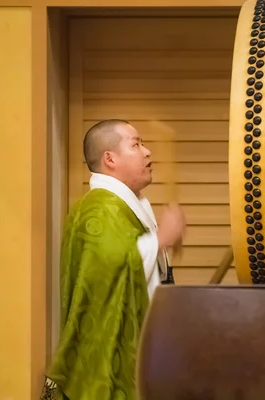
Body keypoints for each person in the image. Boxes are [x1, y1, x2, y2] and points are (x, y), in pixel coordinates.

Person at [44, 119, 186, 400]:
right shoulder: (98, 210)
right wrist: (160, 240)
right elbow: (108, 268)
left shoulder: (123, 205)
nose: (147, 152)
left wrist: (162, 248)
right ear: (110, 158)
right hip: (106, 352)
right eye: (136, 144)